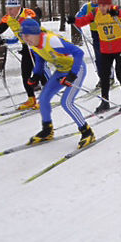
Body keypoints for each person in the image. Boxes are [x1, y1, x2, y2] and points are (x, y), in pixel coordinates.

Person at [21, 19, 95, 149]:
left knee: (66, 102)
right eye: (23, 35)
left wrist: (72, 75)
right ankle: (47, 130)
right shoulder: (33, 44)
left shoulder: (52, 41)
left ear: (36, 33)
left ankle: (87, 131)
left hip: (76, 69)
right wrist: (36, 75)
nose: (25, 39)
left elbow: (79, 53)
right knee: (43, 98)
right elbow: (40, 60)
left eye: (27, 35)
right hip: (61, 70)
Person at [0, 0, 47, 110]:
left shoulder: (28, 13)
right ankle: (31, 99)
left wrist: (25, 23)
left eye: (11, 9)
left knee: (40, 74)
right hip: (25, 47)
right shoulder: (7, 18)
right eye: (7, 8)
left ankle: (45, 99)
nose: (9, 11)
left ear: (18, 7)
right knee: (25, 75)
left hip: (38, 45)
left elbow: (36, 24)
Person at [69, 0, 121, 113]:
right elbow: (83, 21)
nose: (102, 8)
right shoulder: (95, 13)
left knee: (120, 73)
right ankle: (105, 101)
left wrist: (118, 13)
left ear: (109, 4)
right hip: (105, 49)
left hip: (119, 47)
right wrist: (74, 20)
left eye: (104, 5)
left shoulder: (115, 10)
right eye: (100, 5)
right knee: (104, 75)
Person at [76, 0, 114, 87]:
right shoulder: (87, 7)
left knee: (106, 56)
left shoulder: (103, 6)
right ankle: (102, 78)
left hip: (105, 34)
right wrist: (77, 22)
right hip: (95, 34)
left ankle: (110, 77)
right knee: (98, 57)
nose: (94, 1)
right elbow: (79, 17)